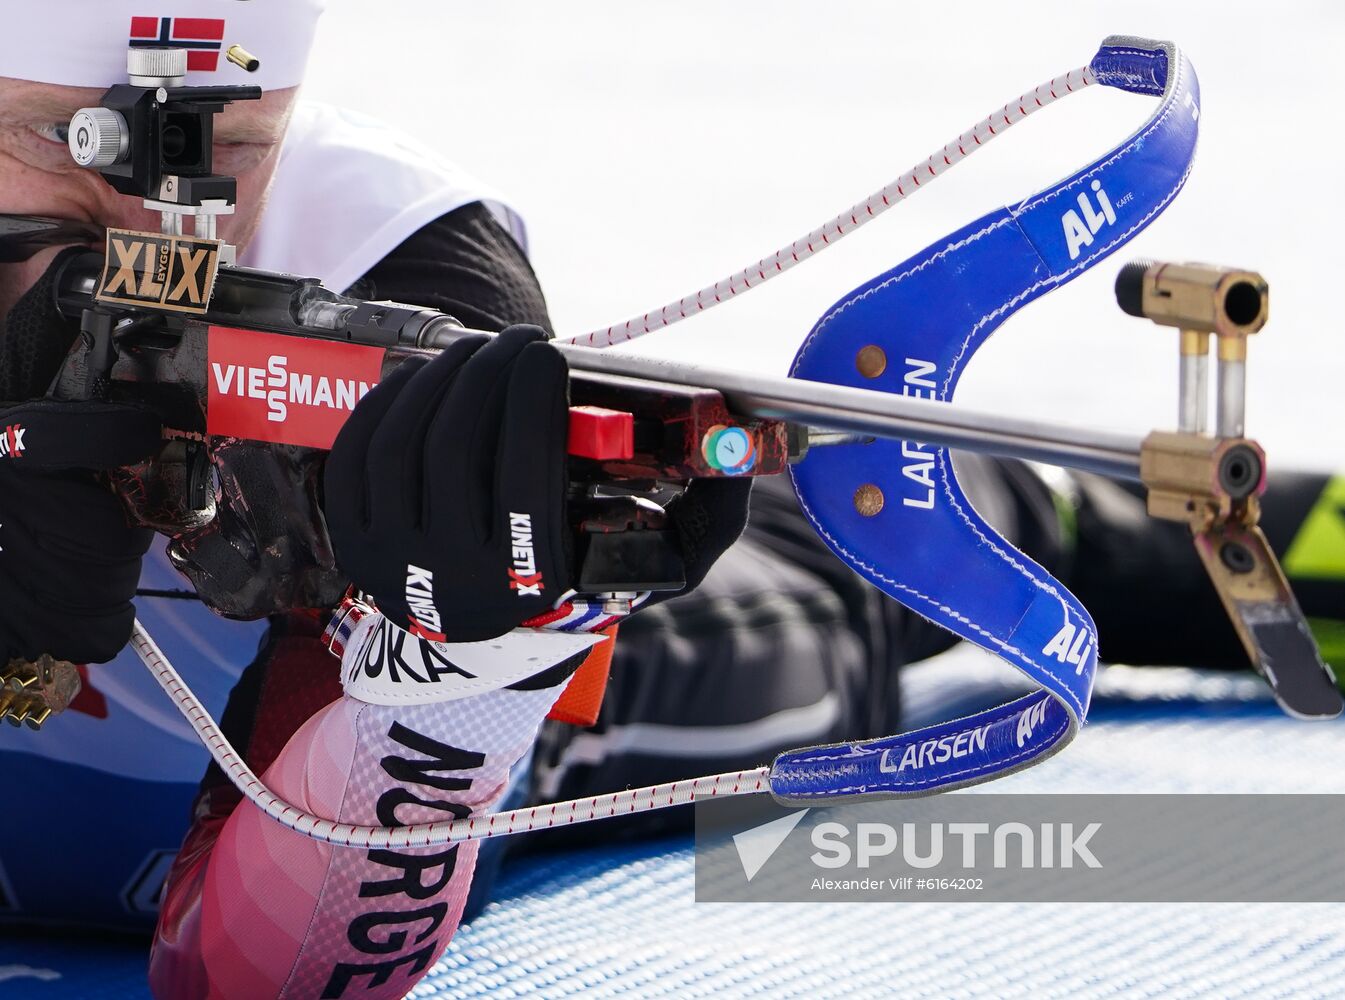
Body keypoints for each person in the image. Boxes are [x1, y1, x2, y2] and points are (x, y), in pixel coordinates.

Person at [1, 4, 1342, 998]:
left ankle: (1237, 531)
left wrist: (465, 679)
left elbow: (258, 980)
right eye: (47, 145)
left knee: (862, 534)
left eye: (221, 156)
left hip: (574, 727)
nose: (138, 239)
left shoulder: (407, 273)